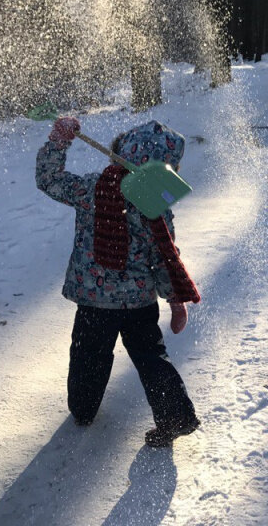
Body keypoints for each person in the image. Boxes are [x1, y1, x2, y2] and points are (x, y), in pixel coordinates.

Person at [36, 116, 201, 447]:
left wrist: (58, 142)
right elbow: (164, 257)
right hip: (139, 303)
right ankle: (175, 417)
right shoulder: (155, 204)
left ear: (117, 154)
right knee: (150, 357)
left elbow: (49, 179)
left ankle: (83, 409)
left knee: (89, 355)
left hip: (94, 302)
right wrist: (174, 298)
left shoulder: (91, 190)